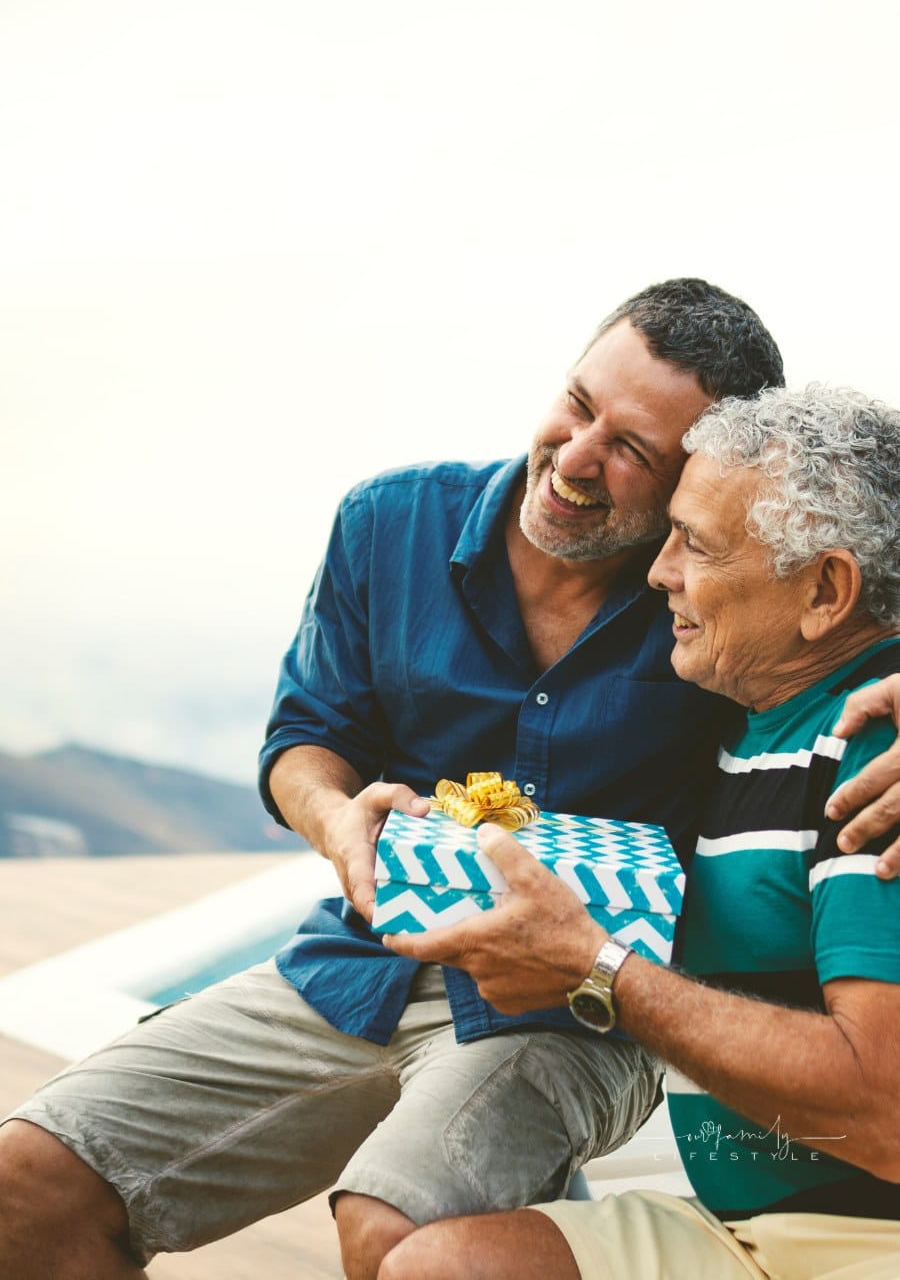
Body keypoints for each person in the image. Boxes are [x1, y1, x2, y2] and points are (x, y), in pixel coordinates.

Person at [0, 281, 898, 1280]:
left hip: (581, 1009)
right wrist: (338, 820)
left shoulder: (720, 605)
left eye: (633, 452)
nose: (576, 456)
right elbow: (306, 734)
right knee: (24, 1180)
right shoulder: (389, 524)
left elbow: (848, 592)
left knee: (398, 1229)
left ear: (700, 486)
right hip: (361, 961)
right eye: (579, 402)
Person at [378, 383, 900, 1280]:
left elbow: (885, 1109)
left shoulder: (872, 752)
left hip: (869, 1240)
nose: (658, 572)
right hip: (742, 1228)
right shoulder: (735, 721)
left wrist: (602, 974)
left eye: (694, 543)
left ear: (825, 590)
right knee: (434, 1264)